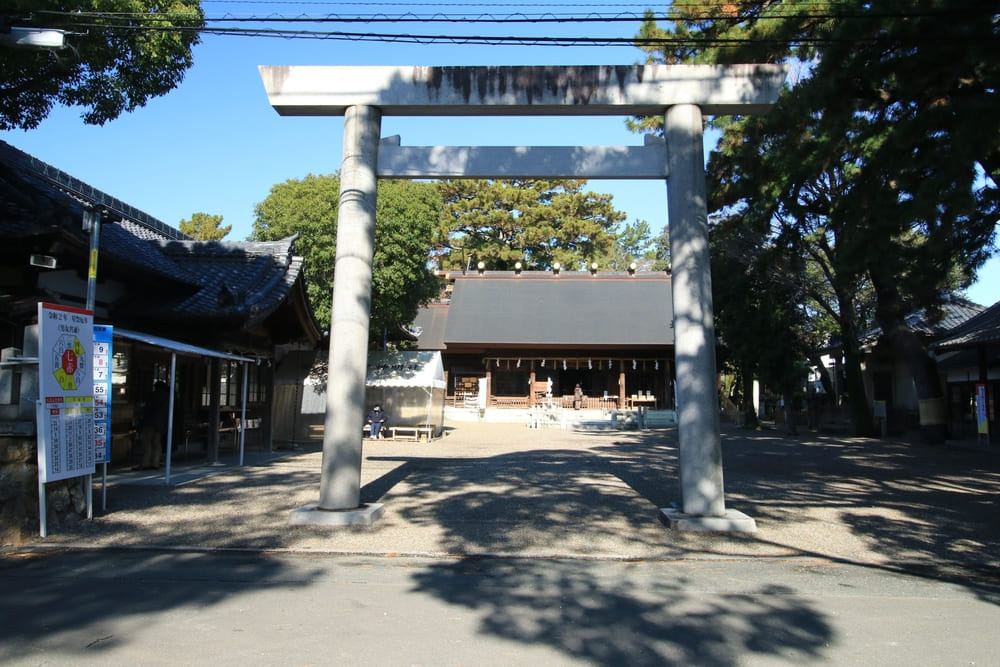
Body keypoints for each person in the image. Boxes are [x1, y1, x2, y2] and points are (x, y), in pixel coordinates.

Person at [137, 381, 169, 469]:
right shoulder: (167, 397)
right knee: (157, 443)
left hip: (149, 422)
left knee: (146, 442)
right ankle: (155, 462)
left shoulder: (152, 395)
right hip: (161, 422)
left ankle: (145, 462)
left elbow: (147, 408)